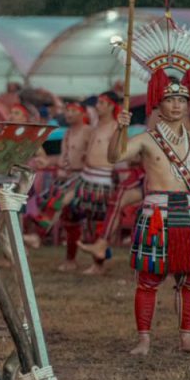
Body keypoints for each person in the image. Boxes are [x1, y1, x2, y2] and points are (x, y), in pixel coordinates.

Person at [109, 77, 190, 357]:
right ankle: (144, 340)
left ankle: (187, 339)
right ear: (158, 106)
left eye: (181, 100)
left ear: (188, 105)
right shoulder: (146, 140)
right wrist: (119, 128)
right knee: (148, 279)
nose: (176, 106)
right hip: (156, 213)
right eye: (170, 100)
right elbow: (115, 156)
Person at [70, 94, 120, 275]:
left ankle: (100, 264)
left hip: (103, 180)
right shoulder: (96, 126)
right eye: (98, 103)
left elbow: (118, 155)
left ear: (111, 106)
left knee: (100, 223)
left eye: (101, 103)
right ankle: (97, 262)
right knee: (89, 223)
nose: (98, 106)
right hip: (87, 177)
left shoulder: (116, 128)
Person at [53, 102, 90, 271]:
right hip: (69, 178)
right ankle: (71, 259)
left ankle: (98, 261)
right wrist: (58, 165)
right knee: (69, 220)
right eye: (67, 110)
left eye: (73, 110)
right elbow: (63, 157)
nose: (68, 113)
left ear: (82, 113)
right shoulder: (67, 133)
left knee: (92, 221)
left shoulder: (89, 131)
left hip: (86, 178)